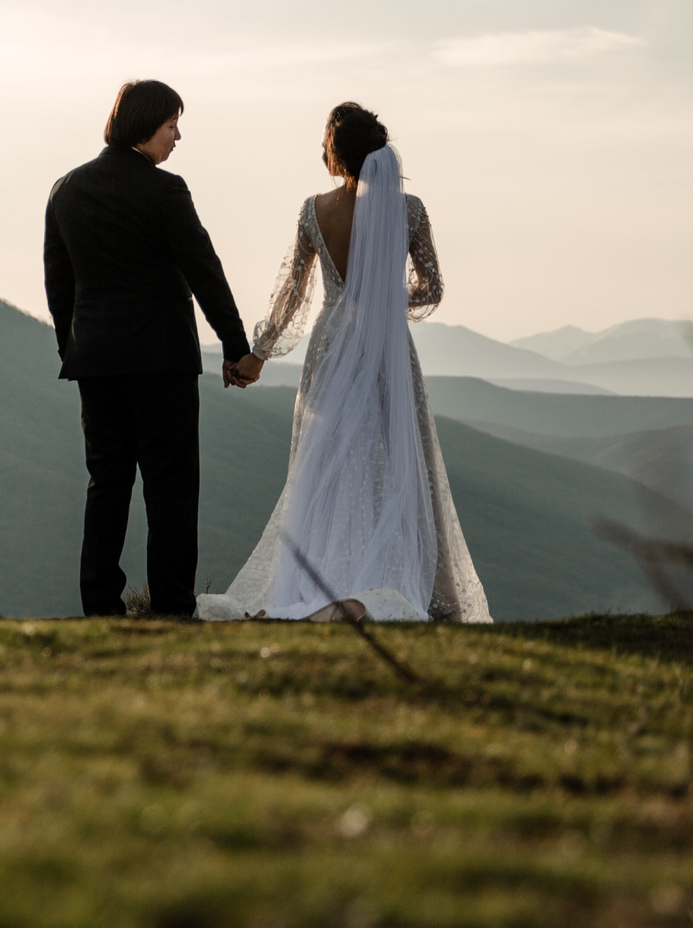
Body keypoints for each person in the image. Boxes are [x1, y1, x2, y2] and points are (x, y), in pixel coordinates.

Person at [197, 102, 491, 623]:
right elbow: (431, 288)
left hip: (331, 346)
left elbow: (292, 295)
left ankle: (319, 579)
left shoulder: (314, 210)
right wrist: (383, 299)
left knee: (327, 462)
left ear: (337, 153)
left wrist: (258, 354)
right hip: (387, 348)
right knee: (401, 459)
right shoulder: (410, 210)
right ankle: (415, 584)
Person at [43, 80, 260, 619]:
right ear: (144, 126)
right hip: (162, 362)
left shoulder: (65, 190)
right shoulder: (165, 190)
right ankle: (170, 608)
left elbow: (59, 284)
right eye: (171, 125)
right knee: (171, 489)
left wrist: (74, 347)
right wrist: (235, 345)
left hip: (95, 363)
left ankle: (100, 607)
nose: (177, 137)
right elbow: (204, 270)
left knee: (107, 485)